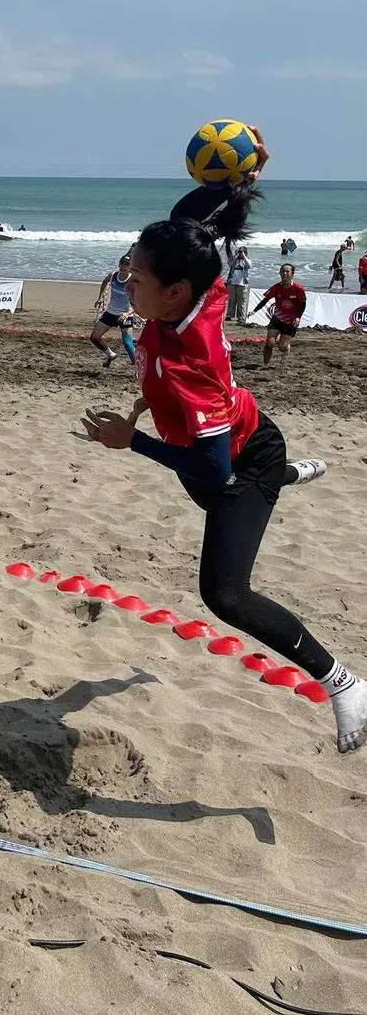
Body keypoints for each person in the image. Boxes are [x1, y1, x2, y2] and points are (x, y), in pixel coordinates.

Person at [81, 217, 365, 755]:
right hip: (235, 447)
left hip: (242, 459)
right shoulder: (200, 289)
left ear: (174, 290)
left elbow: (214, 470)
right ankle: (286, 477)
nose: (127, 283)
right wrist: (235, 185)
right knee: (209, 493)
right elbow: (188, 228)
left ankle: (345, 684)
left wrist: (131, 440)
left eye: (136, 278)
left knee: (224, 593)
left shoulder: (192, 358)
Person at [250, 263, 305, 366]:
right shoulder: (276, 287)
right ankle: (265, 365)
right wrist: (254, 310)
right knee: (269, 344)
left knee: (281, 347)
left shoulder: (298, 288)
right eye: (282, 271)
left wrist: (298, 317)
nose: (285, 273)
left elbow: (303, 304)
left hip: (291, 321)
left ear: (292, 274)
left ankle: (286, 348)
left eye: (287, 271)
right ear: (279, 273)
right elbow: (265, 300)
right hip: (277, 318)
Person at [89, 254, 136, 366]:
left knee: (128, 344)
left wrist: (127, 313)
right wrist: (100, 297)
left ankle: (139, 369)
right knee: (94, 337)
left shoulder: (133, 281)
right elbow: (105, 282)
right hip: (111, 312)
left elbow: (139, 301)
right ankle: (110, 354)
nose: (123, 266)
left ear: (130, 267)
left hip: (125, 314)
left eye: (126, 264)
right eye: (121, 263)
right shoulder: (113, 275)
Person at [224, 243, 251, 321]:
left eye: (242, 252)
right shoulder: (235, 260)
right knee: (231, 300)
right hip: (232, 283)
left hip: (242, 284)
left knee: (241, 302)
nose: (240, 254)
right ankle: (229, 315)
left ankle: (241, 317)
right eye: (240, 252)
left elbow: (249, 265)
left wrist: (244, 256)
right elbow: (230, 263)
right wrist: (236, 256)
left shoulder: (247, 260)